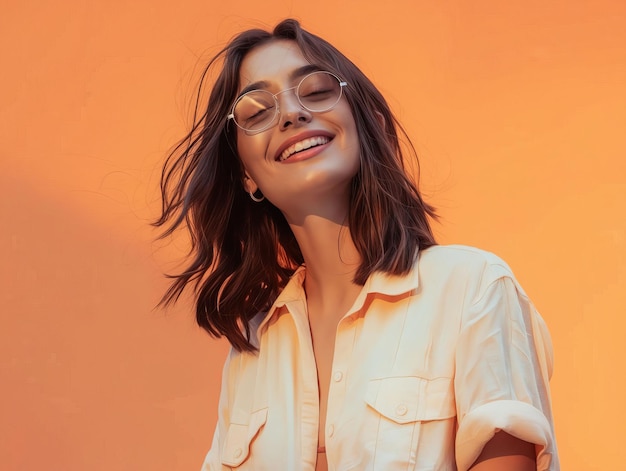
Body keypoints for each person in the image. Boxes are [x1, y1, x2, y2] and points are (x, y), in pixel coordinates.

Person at [155, 18, 559, 471]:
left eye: (316, 90)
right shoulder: (254, 346)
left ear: (368, 125)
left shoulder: (472, 288)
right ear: (245, 174)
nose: (291, 113)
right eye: (255, 112)